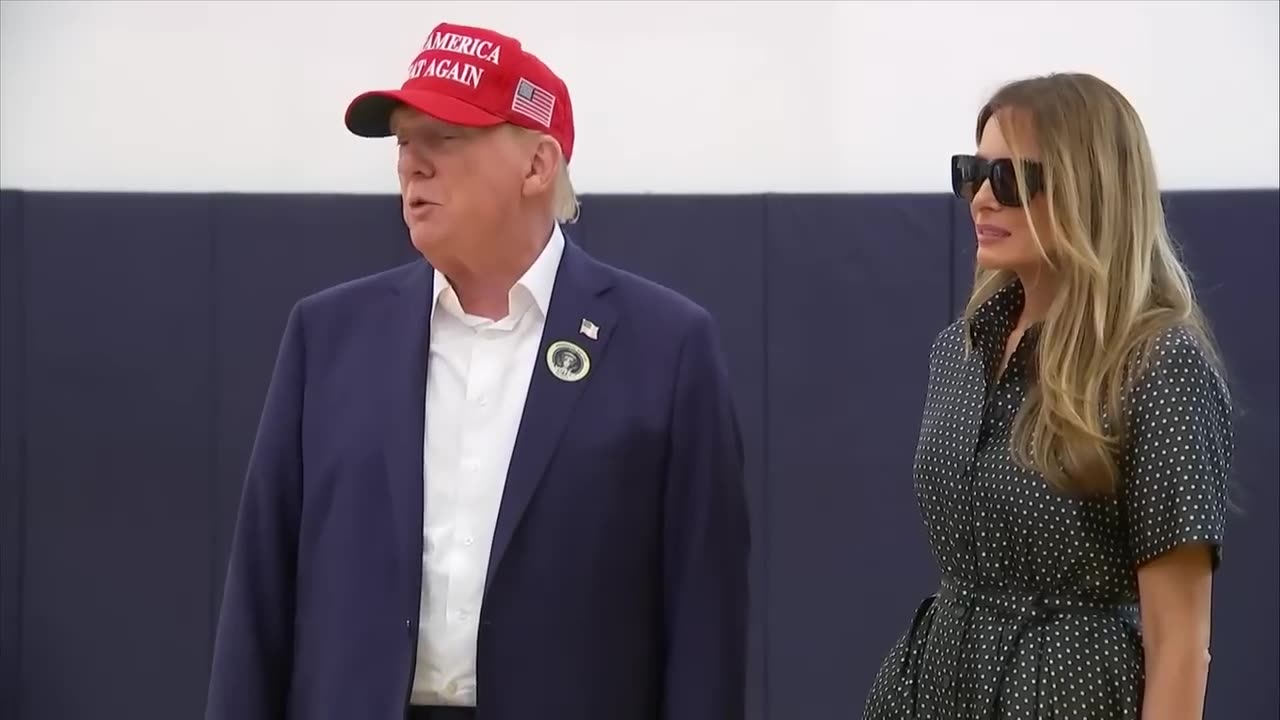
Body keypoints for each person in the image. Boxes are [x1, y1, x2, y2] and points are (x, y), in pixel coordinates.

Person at [205, 21, 750, 720]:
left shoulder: (668, 349)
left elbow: (705, 629)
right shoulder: (328, 339)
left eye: (446, 139)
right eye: (404, 141)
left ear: (537, 165)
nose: (412, 165)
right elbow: (260, 596)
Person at [863, 72, 1233, 720]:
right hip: (934, 691)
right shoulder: (959, 351)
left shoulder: (1160, 367)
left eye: (1009, 179)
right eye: (970, 173)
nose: (980, 198)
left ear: (1090, 188)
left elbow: (1180, 646)